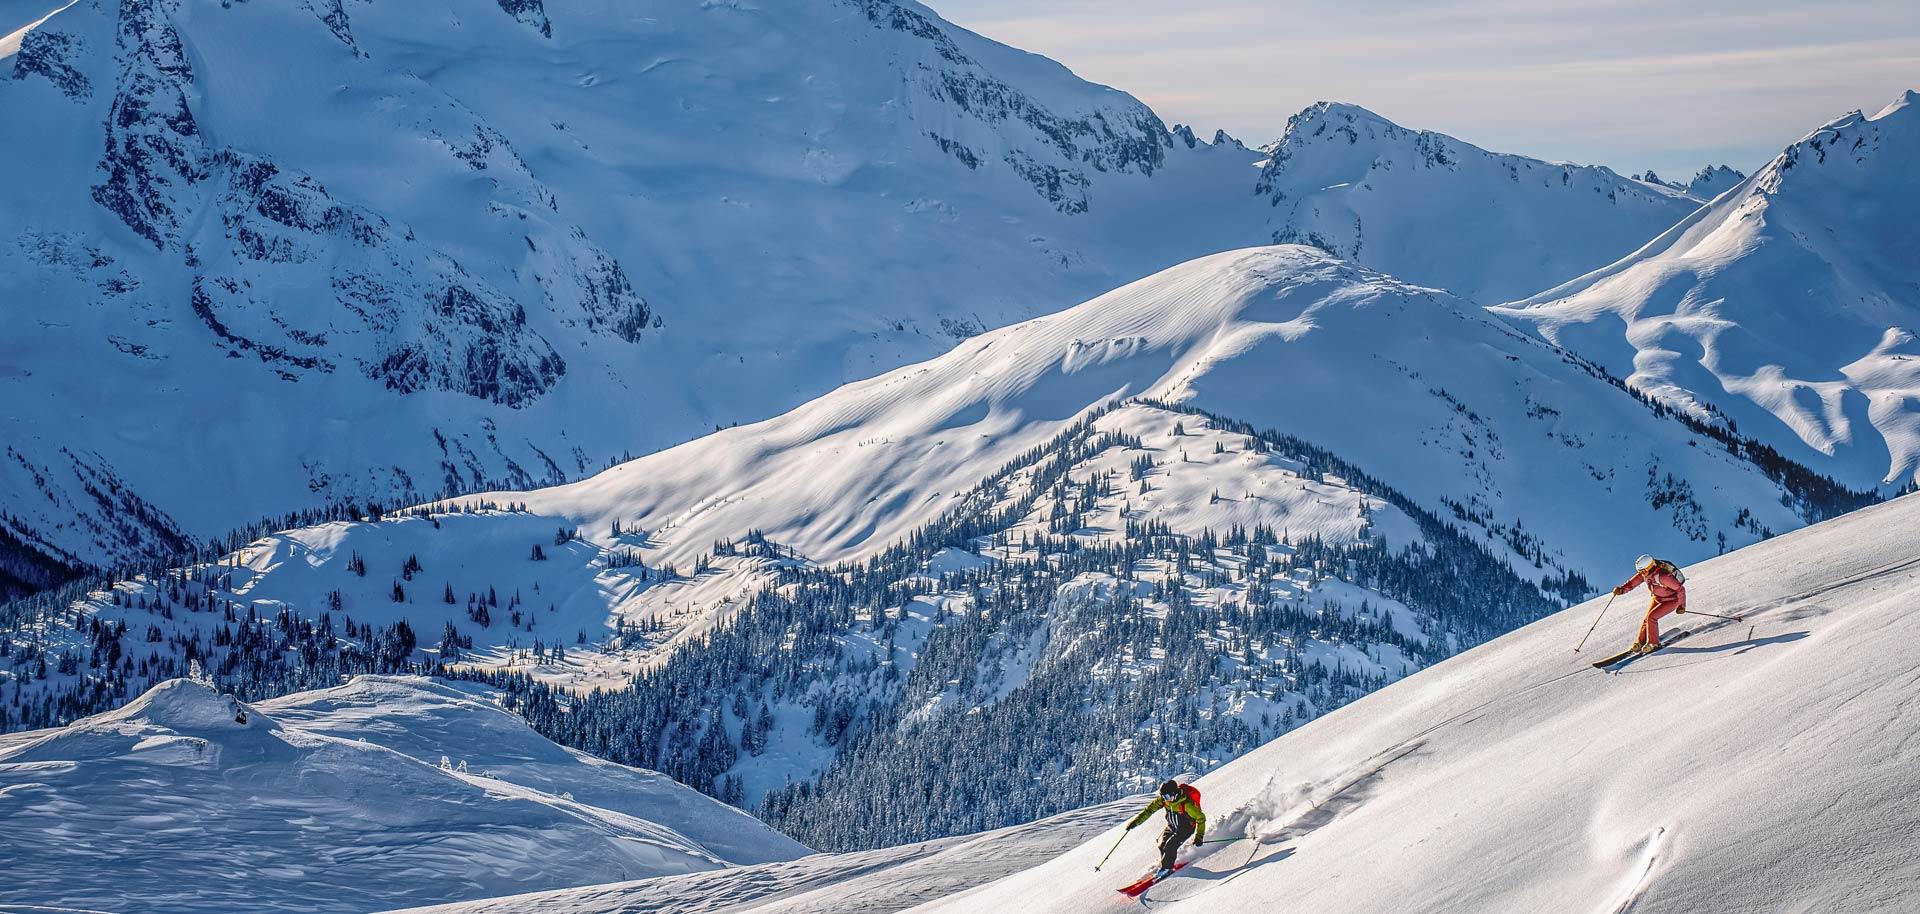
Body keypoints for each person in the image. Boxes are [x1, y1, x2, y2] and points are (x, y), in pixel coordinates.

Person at [1126, 779, 1206, 874]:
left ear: (1175, 793)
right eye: (1163, 796)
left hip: (1186, 828)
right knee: (1162, 846)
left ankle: (1167, 868)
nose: (1165, 799)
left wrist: (1199, 837)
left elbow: (1201, 818)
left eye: (1167, 796)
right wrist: (1135, 822)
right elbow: (1149, 810)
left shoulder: (1187, 804)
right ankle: (1166, 863)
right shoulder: (1165, 801)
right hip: (1172, 826)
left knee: (1170, 846)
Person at [1612, 554, 1686, 652]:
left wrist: (1681, 606)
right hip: (1658, 598)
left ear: (1650, 567)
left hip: (1672, 600)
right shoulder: (1645, 574)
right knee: (1647, 619)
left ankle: (1653, 643)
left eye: (1643, 571)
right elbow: (1632, 583)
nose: (1641, 573)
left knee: (1652, 617)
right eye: (1640, 571)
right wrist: (1621, 590)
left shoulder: (1663, 576)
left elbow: (1680, 589)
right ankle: (1640, 642)